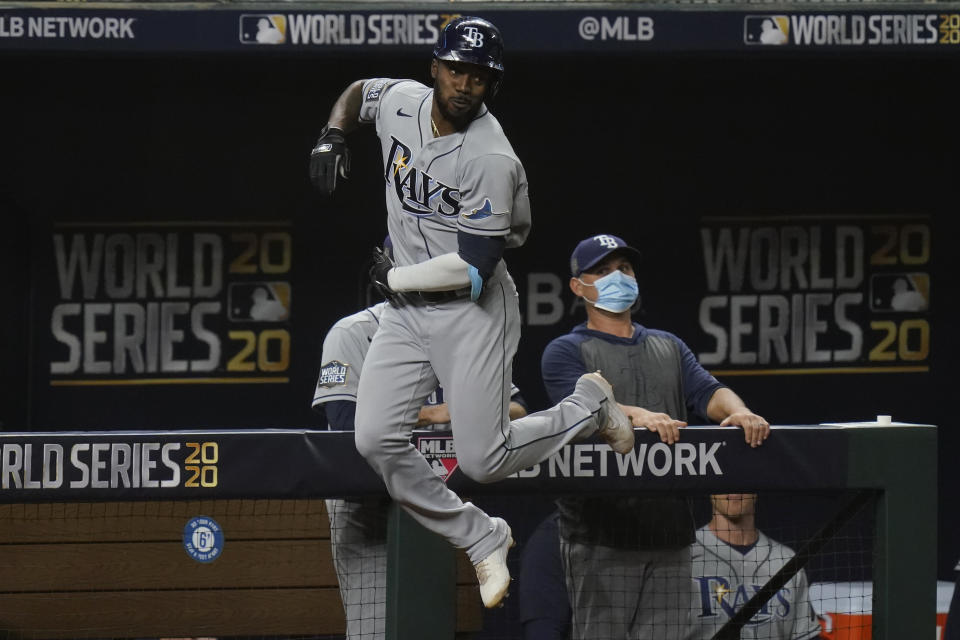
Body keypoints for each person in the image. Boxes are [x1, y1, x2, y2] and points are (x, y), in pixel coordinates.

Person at [307, 18, 634, 609]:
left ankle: (589, 405)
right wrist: (332, 135)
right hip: (407, 312)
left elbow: (476, 264)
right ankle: (481, 535)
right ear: (434, 66)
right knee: (376, 439)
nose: (465, 84)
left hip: (472, 310)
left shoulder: (490, 157)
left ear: (492, 86)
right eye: (456, 69)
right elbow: (360, 92)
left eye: (479, 77)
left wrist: (395, 276)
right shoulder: (402, 102)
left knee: (485, 458)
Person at [540, 233, 771, 640]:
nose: (618, 277)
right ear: (578, 286)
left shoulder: (669, 345)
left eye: (625, 269)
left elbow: (708, 392)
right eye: (604, 271)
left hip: (670, 534)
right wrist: (639, 416)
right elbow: (578, 407)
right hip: (601, 535)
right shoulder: (565, 350)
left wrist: (740, 411)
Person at [312, 298, 530, 639]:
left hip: (439, 499)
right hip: (370, 504)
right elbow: (346, 428)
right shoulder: (355, 332)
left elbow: (517, 408)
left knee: (437, 625)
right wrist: (430, 414)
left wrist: (453, 411)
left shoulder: (462, 332)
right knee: (375, 630)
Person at [688, 494, 821, 640]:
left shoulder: (785, 559)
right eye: (726, 481)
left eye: (742, 480)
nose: (733, 490)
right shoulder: (684, 558)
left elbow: (805, 636)